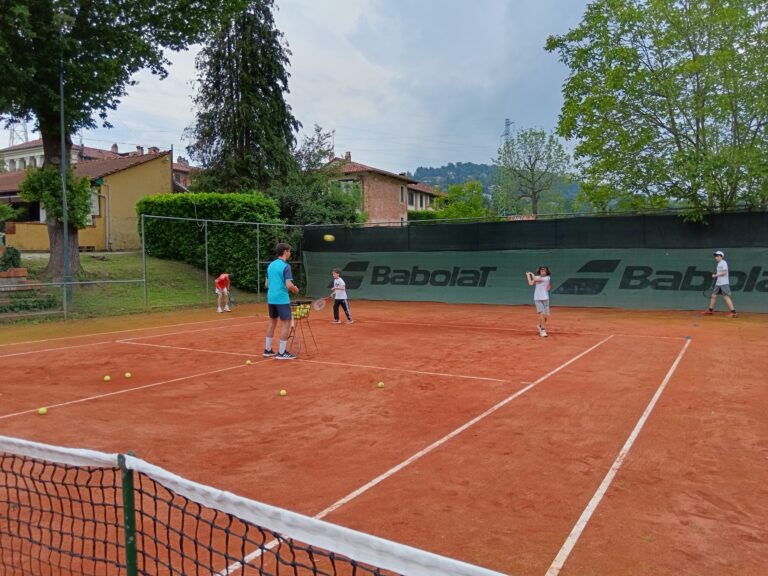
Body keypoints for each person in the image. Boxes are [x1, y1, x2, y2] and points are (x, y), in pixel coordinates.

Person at [264, 243, 300, 359]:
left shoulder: (270, 266)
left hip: (271, 298)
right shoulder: (286, 266)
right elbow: (289, 285)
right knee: (286, 323)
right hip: (281, 299)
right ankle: (282, 352)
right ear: (285, 252)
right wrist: (295, 289)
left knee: (272, 322)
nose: (290, 253)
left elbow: (266, 284)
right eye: (289, 251)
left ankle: (267, 350)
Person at [702, 250, 737, 317]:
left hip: (724, 283)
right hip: (718, 283)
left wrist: (715, 275)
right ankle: (710, 310)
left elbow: (725, 272)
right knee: (714, 296)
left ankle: (733, 312)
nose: (716, 257)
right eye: (715, 256)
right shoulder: (719, 263)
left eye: (717, 256)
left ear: (721, 257)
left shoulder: (723, 262)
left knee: (726, 297)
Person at [526, 266, 551, 337]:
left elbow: (535, 279)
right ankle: (543, 330)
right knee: (542, 314)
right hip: (537, 298)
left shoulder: (547, 278)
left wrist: (531, 274)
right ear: (540, 271)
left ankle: (540, 325)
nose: (543, 271)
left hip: (545, 298)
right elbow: (530, 283)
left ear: (546, 272)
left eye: (544, 270)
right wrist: (528, 275)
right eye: (541, 270)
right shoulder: (537, 277)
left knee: (545, 317)